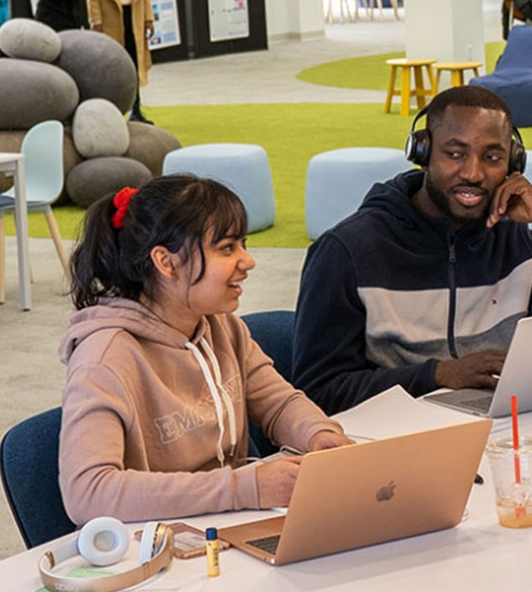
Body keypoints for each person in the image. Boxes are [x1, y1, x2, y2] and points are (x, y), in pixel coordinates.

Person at [293, 86, 532, 414]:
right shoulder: (347, 253)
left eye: (492, 157)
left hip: (503, 432)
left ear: (513, 162)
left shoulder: (518, 244)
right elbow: (320, 391)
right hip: (396, 442)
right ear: (422, 152)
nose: (473, 174)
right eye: (455, 153)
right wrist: (437, 375)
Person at [58, 174, 352, 525]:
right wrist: (244, 488)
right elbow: (89, 493)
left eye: (242, 244)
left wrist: (319, 435)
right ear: (166, 262)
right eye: (227, 248)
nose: (247, 261)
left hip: (224, 525)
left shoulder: (219, 325)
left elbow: (279, 402)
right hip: (159, 546)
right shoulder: (105, 360)